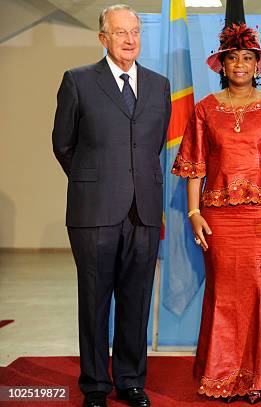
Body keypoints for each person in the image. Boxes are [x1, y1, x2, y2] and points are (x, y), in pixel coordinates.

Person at [171, 23, 261, 404]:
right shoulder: (204, 109)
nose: (240, 64)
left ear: (257, 64)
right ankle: (221, 377)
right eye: (233, 58)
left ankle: (256, 378)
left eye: (247, 58)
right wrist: (194, 213)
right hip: (219, 219)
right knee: (224, 296)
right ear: (222, 65)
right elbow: (194, 166)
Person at [52, 4, 171, 407]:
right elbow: (63, 144)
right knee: (94, 298)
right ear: (103, 38)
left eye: (135, 31)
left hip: (144, 210)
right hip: (94, 211)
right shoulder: (78, 81)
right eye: (120, 33)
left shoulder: (159, 85)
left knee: (136, 300)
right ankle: (95, 386)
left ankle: (131, 381)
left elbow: (152, 146)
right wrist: (97, 181)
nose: (130, 39)